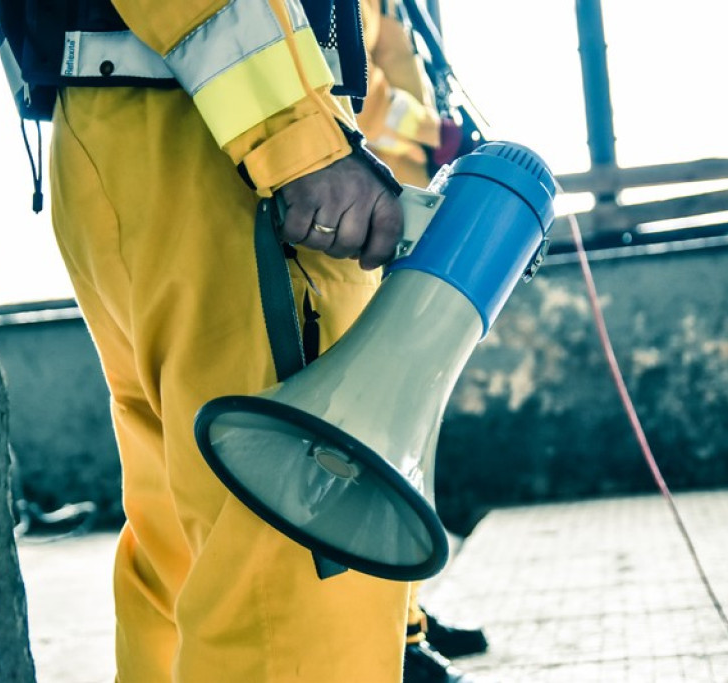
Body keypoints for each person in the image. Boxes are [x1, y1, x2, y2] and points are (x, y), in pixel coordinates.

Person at [48, 0, 422, 680]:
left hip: (131, 125)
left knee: (186, 554)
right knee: (291, 560)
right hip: (234, 156)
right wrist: (298, 138)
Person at [355, 2, 489, 681]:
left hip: (406, 206)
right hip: (366, 218)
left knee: (411, 421)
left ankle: (406, 616)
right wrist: (433, 128)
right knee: (383, 424)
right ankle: (394, 639)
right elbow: (350, 86)